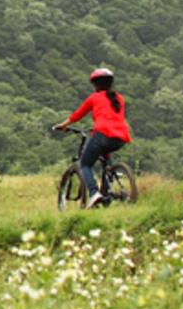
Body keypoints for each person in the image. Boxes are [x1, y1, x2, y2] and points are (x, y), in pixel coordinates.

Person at [54, 67, 132, 208]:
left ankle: (94, 193)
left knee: (85, 164)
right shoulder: (119, 98)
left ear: (96, 84)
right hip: (120, 137)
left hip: (102, 133)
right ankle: (108, 188)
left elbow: (78, 114)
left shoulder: (94, 98)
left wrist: (63, 125)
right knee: (105, 160)